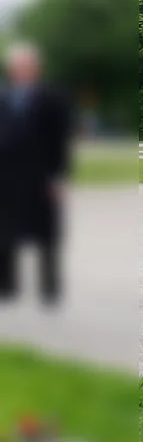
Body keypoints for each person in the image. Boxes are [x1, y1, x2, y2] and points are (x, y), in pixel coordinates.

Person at [0, 44, 71, 306]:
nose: (21, 72)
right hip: (7, 176)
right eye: (17, 67)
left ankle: (49, 287)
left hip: (41, 175)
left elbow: (60, 140)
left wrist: (58, 176)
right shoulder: (3, 97)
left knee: (47, 233)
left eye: (26, 67)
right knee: (5, 231)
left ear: (36, 69)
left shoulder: (51, 98)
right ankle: (6, 286)